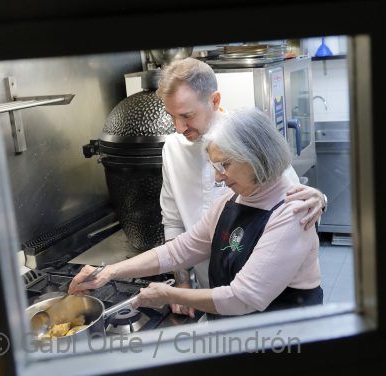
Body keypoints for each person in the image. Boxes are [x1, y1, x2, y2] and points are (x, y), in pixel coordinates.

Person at [69, 107, 323, 317]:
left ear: (256, 157)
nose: (218, 177)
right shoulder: (230, 201)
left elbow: (242, 298)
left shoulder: (294, 212)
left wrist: (168, 294)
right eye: (214, 166)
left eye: (224, 165)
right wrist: (110, 271)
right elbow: (179, 250)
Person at [155, 58, 326, 317]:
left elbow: (292, 199)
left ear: (214, 100)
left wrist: (321, 199)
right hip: (208, 289)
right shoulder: (172, 149)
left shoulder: (248, 139)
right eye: (172, 116)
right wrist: (182, 281)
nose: (179, 128)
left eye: (187, 116)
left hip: (264, 296)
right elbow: (173, 222)